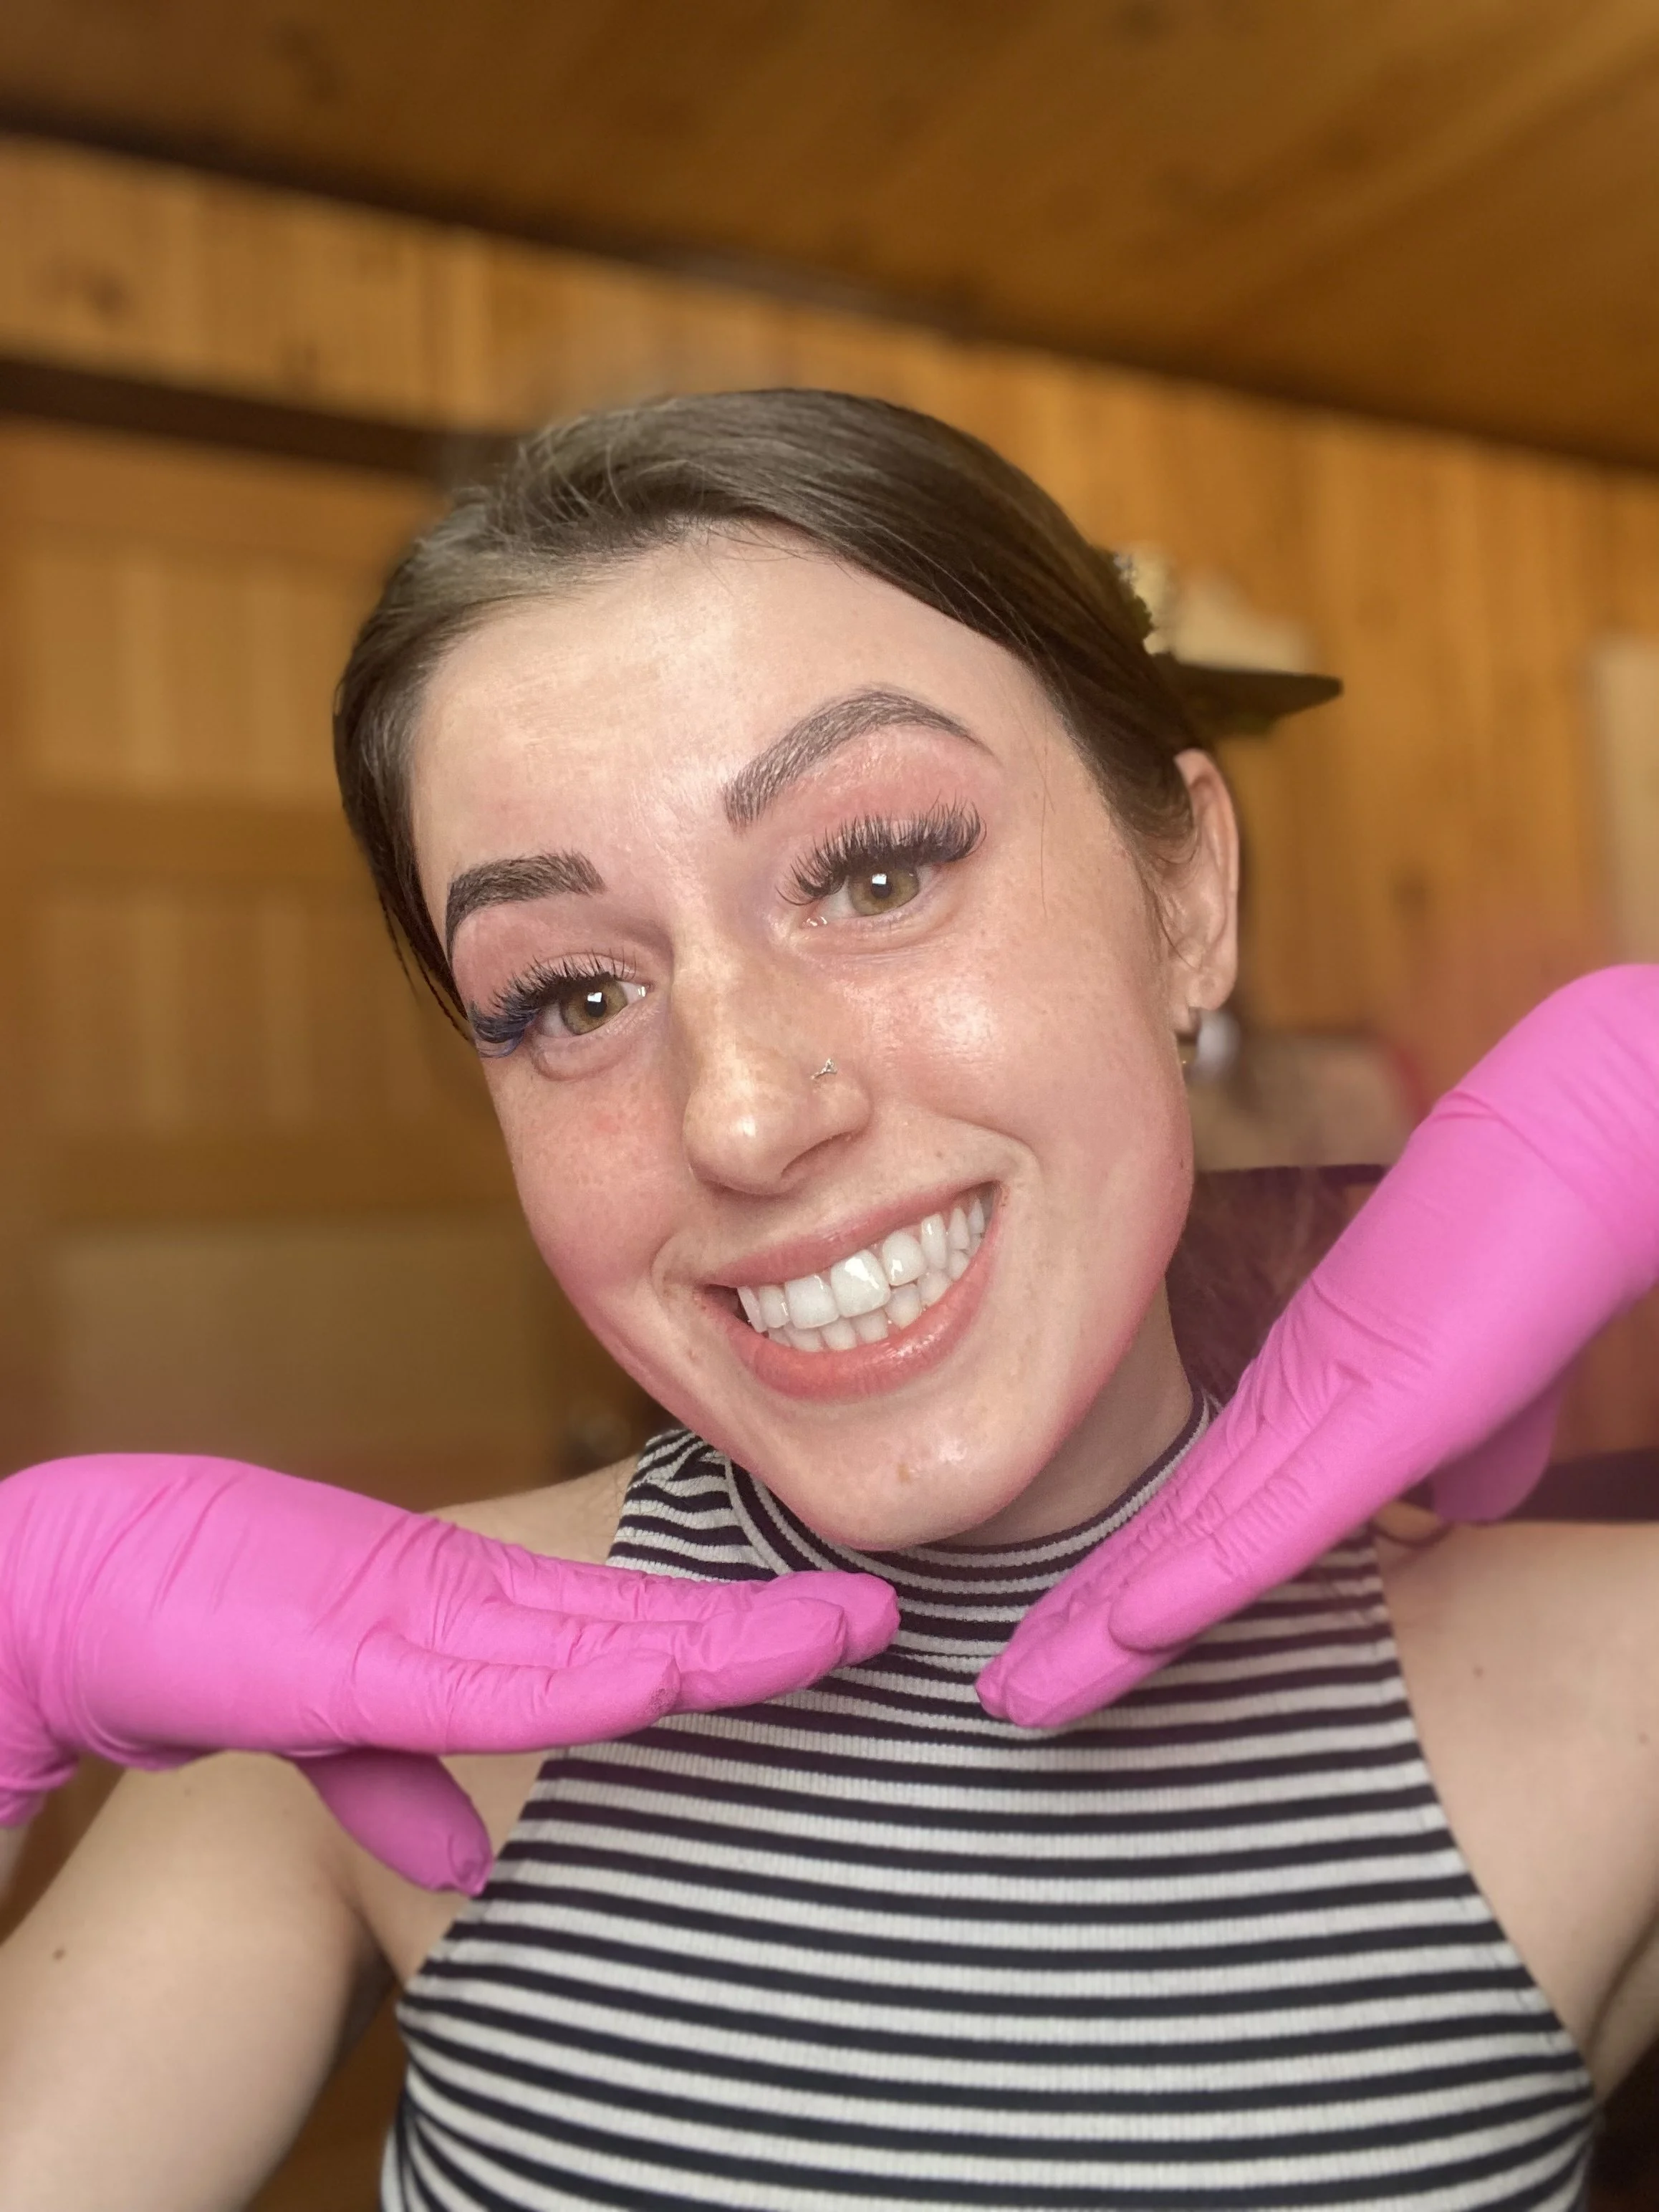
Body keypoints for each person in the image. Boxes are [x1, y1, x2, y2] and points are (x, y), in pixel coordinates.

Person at [1, 388, 1654, 2210]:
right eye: (572, 996)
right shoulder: (348, 1730)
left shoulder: (1612, 1704)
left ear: (1185, 888)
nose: (739, 1114)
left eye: (876, 871)